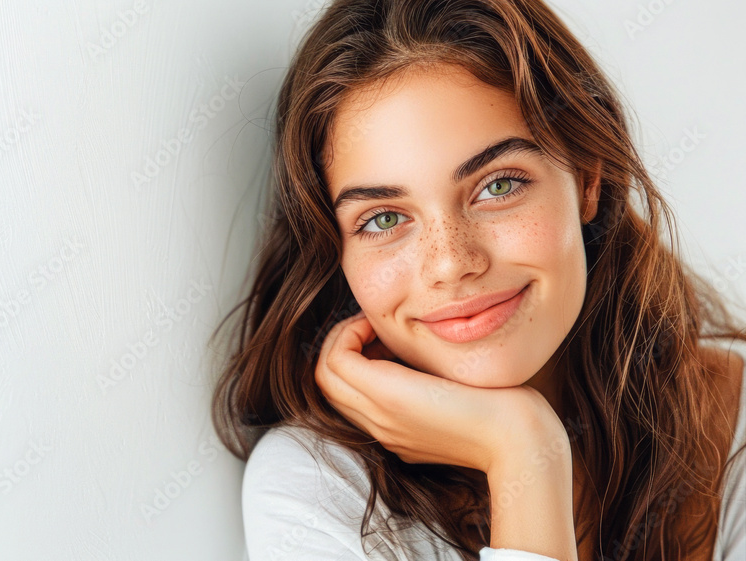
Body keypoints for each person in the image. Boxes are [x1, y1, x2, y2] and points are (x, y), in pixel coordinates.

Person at [208, 0, 746, 559]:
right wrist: (522, 451)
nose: (450, 263)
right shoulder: (318, 487)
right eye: (384, 219)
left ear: (587, 178)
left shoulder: (735, 428)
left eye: (498, 186)